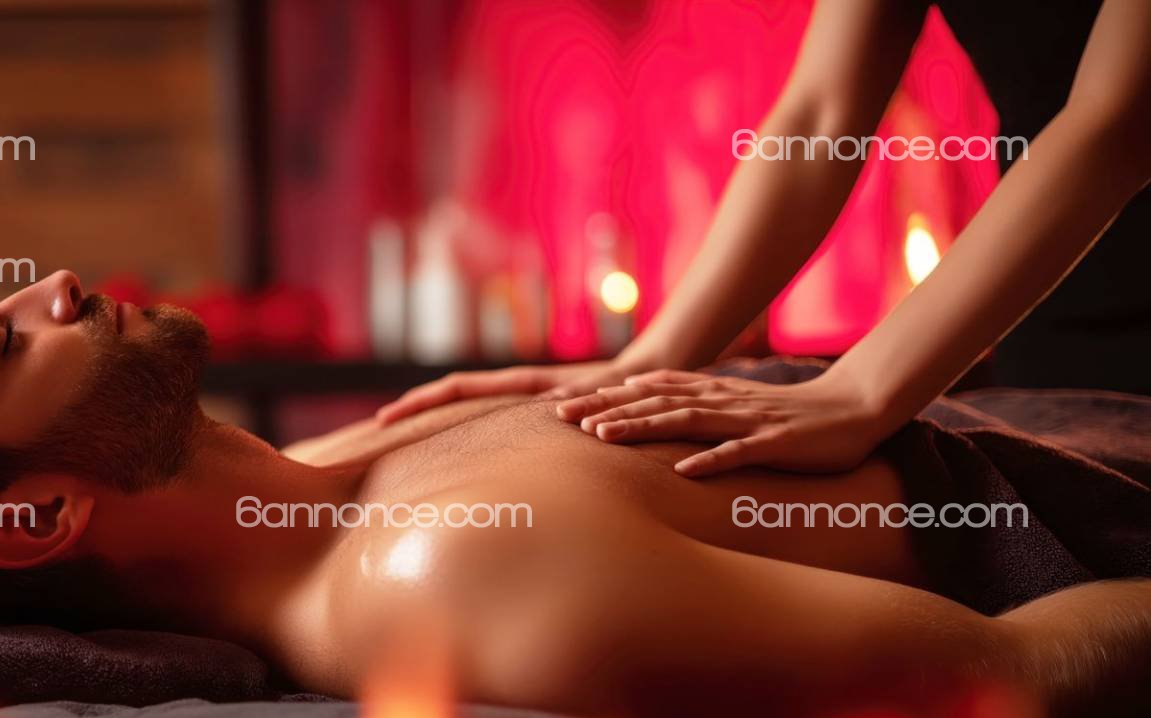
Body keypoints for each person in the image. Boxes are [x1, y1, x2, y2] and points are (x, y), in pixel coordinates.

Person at [0, 272, 1151, 718]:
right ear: (35, 519)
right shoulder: (448, 579)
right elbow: (1017, 679)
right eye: (3, 340)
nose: (57, 288)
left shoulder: (334, 470)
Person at [376, 0, 1151, 478]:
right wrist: (650, 359)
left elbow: (1118, 119)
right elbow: (820, 114)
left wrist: (858, 392)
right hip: (1051, 342)